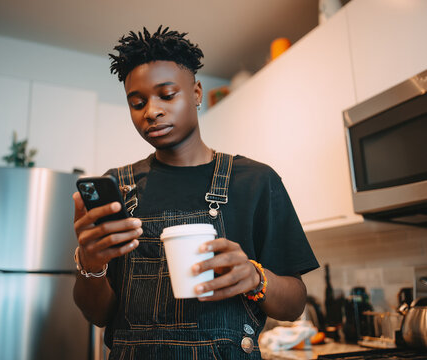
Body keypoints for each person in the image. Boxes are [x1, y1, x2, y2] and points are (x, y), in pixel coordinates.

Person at [72, 26, 319, 359]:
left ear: (197, 93)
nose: (151, 111)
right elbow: (98, 314)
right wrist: (91, 264)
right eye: (137, 102)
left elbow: (294, 304)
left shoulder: (255, 181)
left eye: (167, 94)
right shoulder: (121, 187)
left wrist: (255, 277)